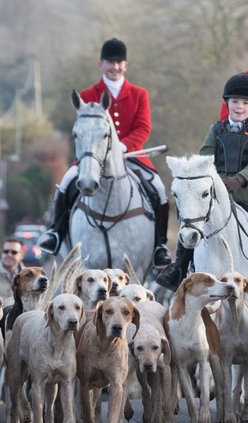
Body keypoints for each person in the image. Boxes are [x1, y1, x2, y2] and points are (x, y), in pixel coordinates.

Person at [38, 38, 172, 267]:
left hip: (131, 156)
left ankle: (160, 245)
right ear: (101, 64)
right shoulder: (88, 94)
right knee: (66, 183)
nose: (115, 66)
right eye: (110, 62)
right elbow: (82, 130)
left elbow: (143, 128)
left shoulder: (139, 94)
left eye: (119, 62)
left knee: (159, 189)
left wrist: (122, 146)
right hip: (93, 157)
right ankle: (56, 232)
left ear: (126, 65)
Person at [158, 73, 248, 289]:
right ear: (227, 103)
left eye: (245, 103)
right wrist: (216, 180)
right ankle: (178, 269)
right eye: (235, 101)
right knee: (191, 222)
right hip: (218, 192)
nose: (239, 107)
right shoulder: (216, 130)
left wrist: (239, 179)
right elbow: (204, 158)